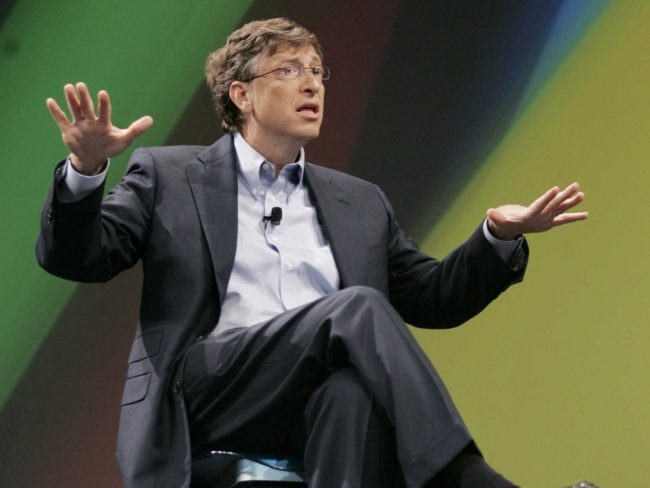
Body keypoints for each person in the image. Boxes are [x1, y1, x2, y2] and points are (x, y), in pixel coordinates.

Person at [37, 17, 588, 488]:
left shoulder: (359, 201)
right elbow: (80, 257)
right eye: (288, 70)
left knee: (349, 394)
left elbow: (434, 299)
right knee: (358, 307)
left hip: (302, 399)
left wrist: (496, 236)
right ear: (241, 95)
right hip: (208, 393)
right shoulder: (170, 175)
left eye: (318, 72)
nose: (312, 85)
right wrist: (86, 171)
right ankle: (470, 480)